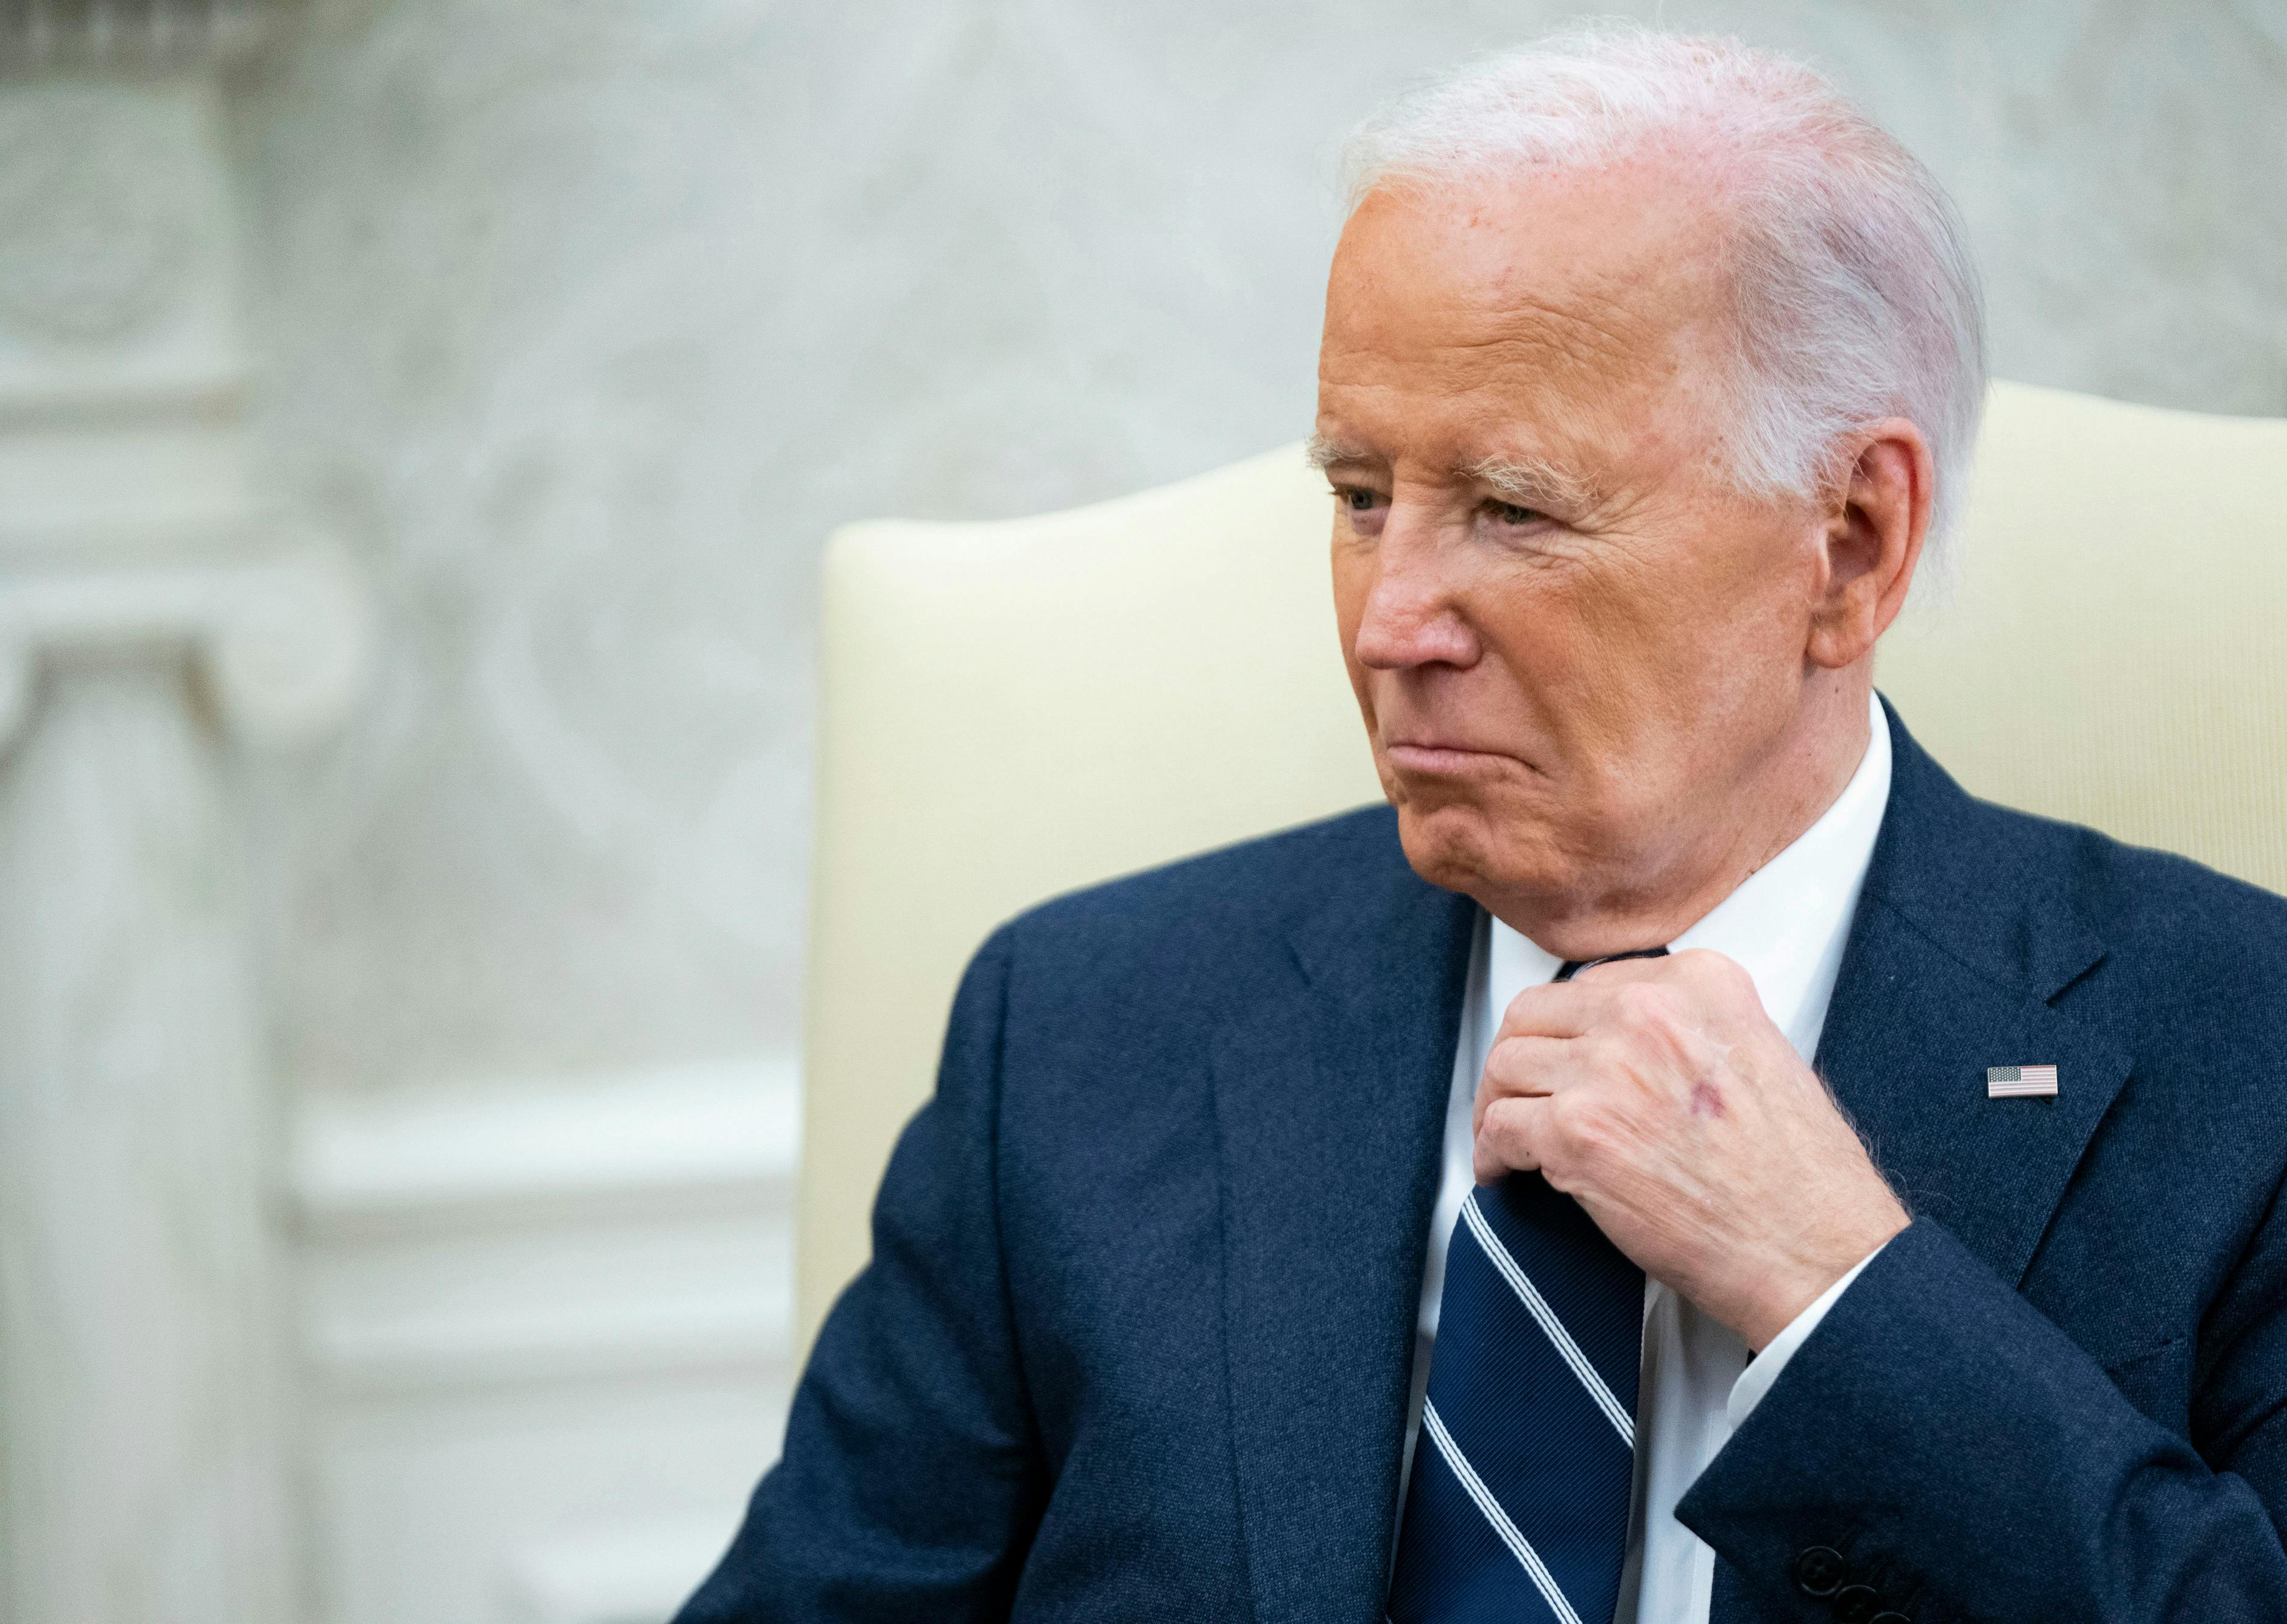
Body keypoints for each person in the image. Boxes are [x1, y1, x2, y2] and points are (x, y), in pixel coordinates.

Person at [680, 23, 2287, 1623]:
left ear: (1851, 544)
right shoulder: (1080, 1032)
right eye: (1361, 496)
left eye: (1511, 509)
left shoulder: (2242, 1046)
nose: (1389, 622)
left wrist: (1838, 1288)